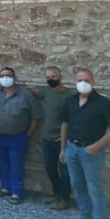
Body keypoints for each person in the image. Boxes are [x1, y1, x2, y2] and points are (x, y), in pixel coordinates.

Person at [60, 68, 110, 219]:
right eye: (79, 80)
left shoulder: (104, 104)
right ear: (75, 82)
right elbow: (65, 124)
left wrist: (95, 147)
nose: (83, 83)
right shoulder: (69, 101)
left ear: (93, 82)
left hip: (91, 153)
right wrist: (63, 149)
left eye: (86, 80)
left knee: (95, 190)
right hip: (71, 149)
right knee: (78, 187)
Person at [0, 67, 42, 204]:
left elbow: (36, 116)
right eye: (2, 76)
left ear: (14, 77)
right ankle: (5, 187)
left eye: (8, 75)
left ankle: (16, 192)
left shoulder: (25, 94)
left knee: (16, 164)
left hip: (17, 137)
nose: (5, 78)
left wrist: (28, 133)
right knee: (2, 162)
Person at [30, 66, 73, 210]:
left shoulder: (69, 96)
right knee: (49, 167)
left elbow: (71, 119)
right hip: (47, 138)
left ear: (60, 77)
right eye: (47, 77)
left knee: (65, 172)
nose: (50, 80)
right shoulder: (46, 91)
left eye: (53, 77)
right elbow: (36, 93)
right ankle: (58, 193)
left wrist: (66, 138)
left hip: (63, 140)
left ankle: (64, 199)